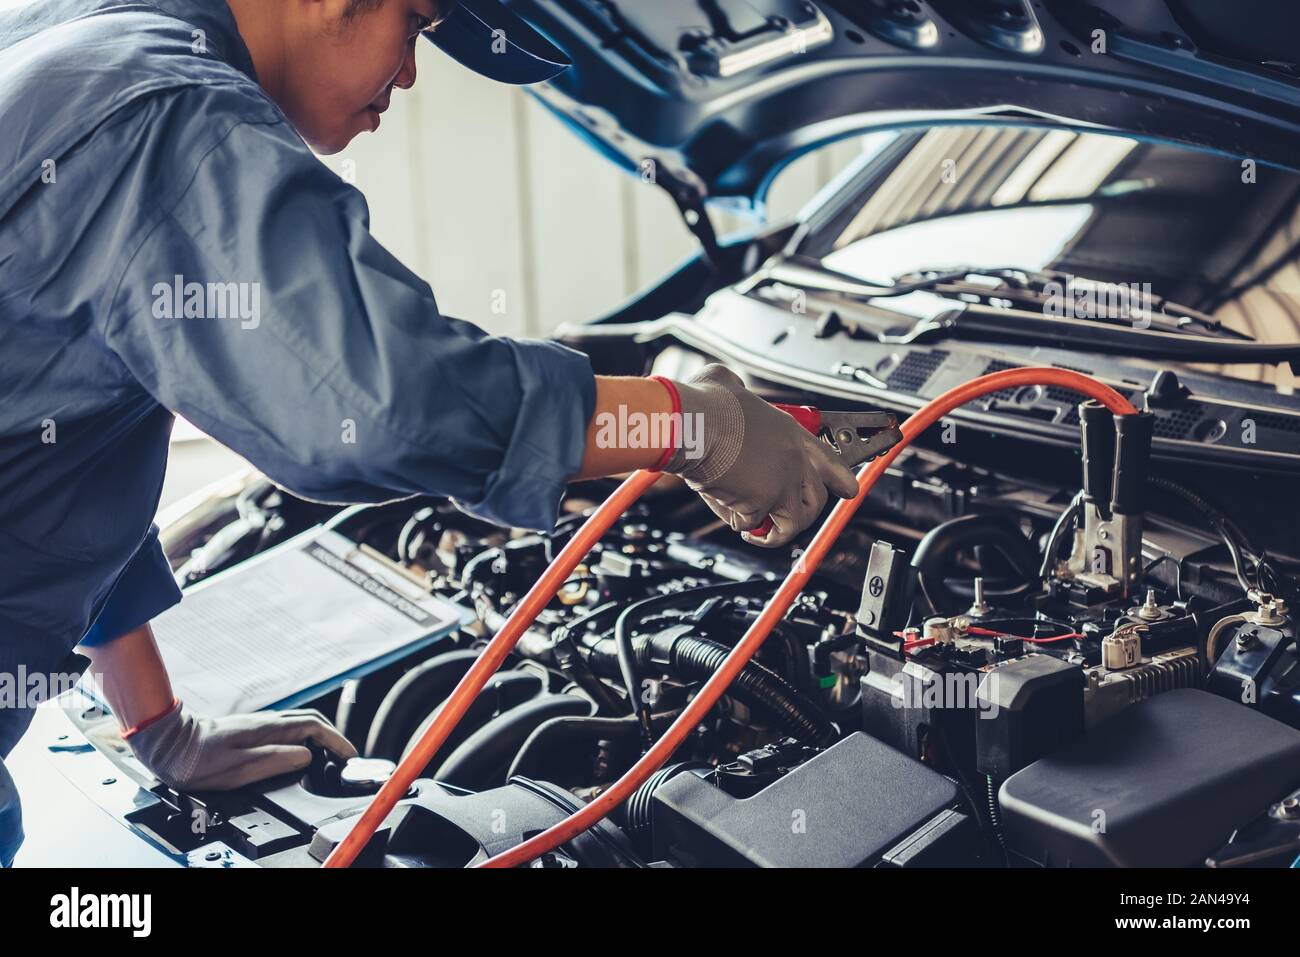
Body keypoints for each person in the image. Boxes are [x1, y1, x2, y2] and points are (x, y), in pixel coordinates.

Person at [0, 0, 860, 865]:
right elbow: (374, 404)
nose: (410, 73)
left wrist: (158, 723)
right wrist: (688, 422)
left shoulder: (72, 44)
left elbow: (61, 454)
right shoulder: (161, 112)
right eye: (415, 24)